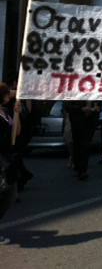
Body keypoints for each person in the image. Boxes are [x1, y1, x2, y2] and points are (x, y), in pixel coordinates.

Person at [0, 83, 20, 244]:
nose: (10, 95)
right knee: (5, 192)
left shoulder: (5, 112)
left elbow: (16, 131)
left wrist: (17, 114)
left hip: (6, 158)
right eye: (7, 93)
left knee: (9, 192)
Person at [64, 100, 100, 180]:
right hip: (77, 121)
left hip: (90, 121)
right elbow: (67, 106)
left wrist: (98, 109)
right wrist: (81, 109)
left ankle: (82, 170)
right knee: (77, 145)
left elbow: (100, 104)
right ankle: (77, 167)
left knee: (85, 145)